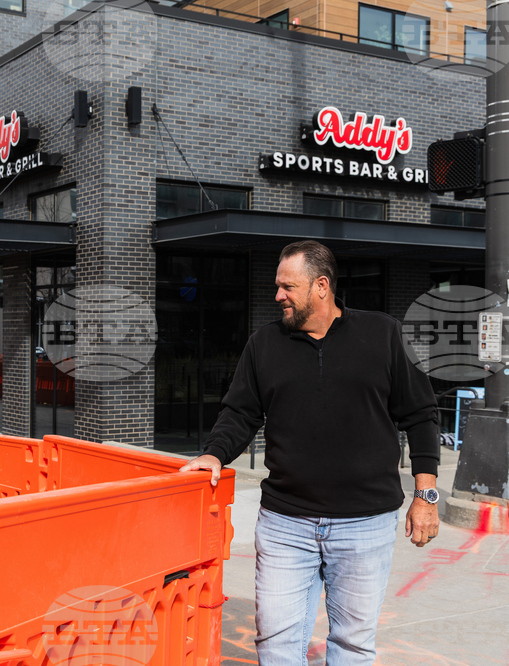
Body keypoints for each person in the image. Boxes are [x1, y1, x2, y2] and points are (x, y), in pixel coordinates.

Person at [179, 240, 440, 666]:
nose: (277, 295)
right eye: (277, 286)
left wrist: (425, 497)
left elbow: (422, 414)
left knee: (353, 645)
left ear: (321, 286)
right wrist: (214, 454)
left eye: (287, 287)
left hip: (365, 523)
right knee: (277, 644)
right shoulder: (264, 344)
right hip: (285, 522)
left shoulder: (383, 333)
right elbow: (240, 413)